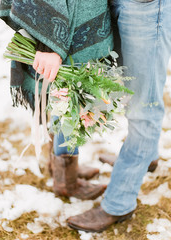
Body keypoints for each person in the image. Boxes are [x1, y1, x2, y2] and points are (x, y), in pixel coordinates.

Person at [67, 0, 171, 232]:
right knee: (121, 83)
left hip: (146, 6)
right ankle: (147, 156)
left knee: (144, 104)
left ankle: (119, 203)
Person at [0, 0, 113, 200]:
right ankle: (66, 181)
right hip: (62, 23)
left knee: (69, 93)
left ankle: (60, 163)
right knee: (69, 95)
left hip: (80, 13)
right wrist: (49, 43)